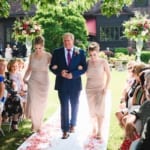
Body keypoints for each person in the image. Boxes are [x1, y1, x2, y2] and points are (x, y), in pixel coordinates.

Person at [50, 32, 87, 139]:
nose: (66, 42)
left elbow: (84, 67)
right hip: (62, 84)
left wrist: (74, 74)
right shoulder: (57, 52)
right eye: (65, 41)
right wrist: (60, 72)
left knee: (75, 105)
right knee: (64, 107)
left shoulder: (80, 52)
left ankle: (73, 124)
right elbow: (52, 66)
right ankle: (65, 130)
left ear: (73, 41)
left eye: (68, 40)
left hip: (75, 84)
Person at [23, 36, 52, 132]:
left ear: (43, 46)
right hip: (33, 80)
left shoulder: (48, 55)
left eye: (40, 48)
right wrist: (24, 77)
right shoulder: (31, 55)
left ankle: (38, 123)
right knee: (34, 103)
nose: (38, 50)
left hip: (44, 81)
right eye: (36, 48)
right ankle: (35, 124)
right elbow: (29, 69)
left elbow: (55, 67)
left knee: (41, 104)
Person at [85, 42, 111, 140]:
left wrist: (106, 87)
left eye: (94, 54)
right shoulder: (87, 62)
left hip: (100, 89)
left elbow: (109, 75)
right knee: (92, 110)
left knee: (100, 110)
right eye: (90, 55)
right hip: (89, 89)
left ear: (98, 52)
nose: (92, 57)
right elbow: (85, 74)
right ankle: (94, 127)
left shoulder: (103, 62)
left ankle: (100, 130)